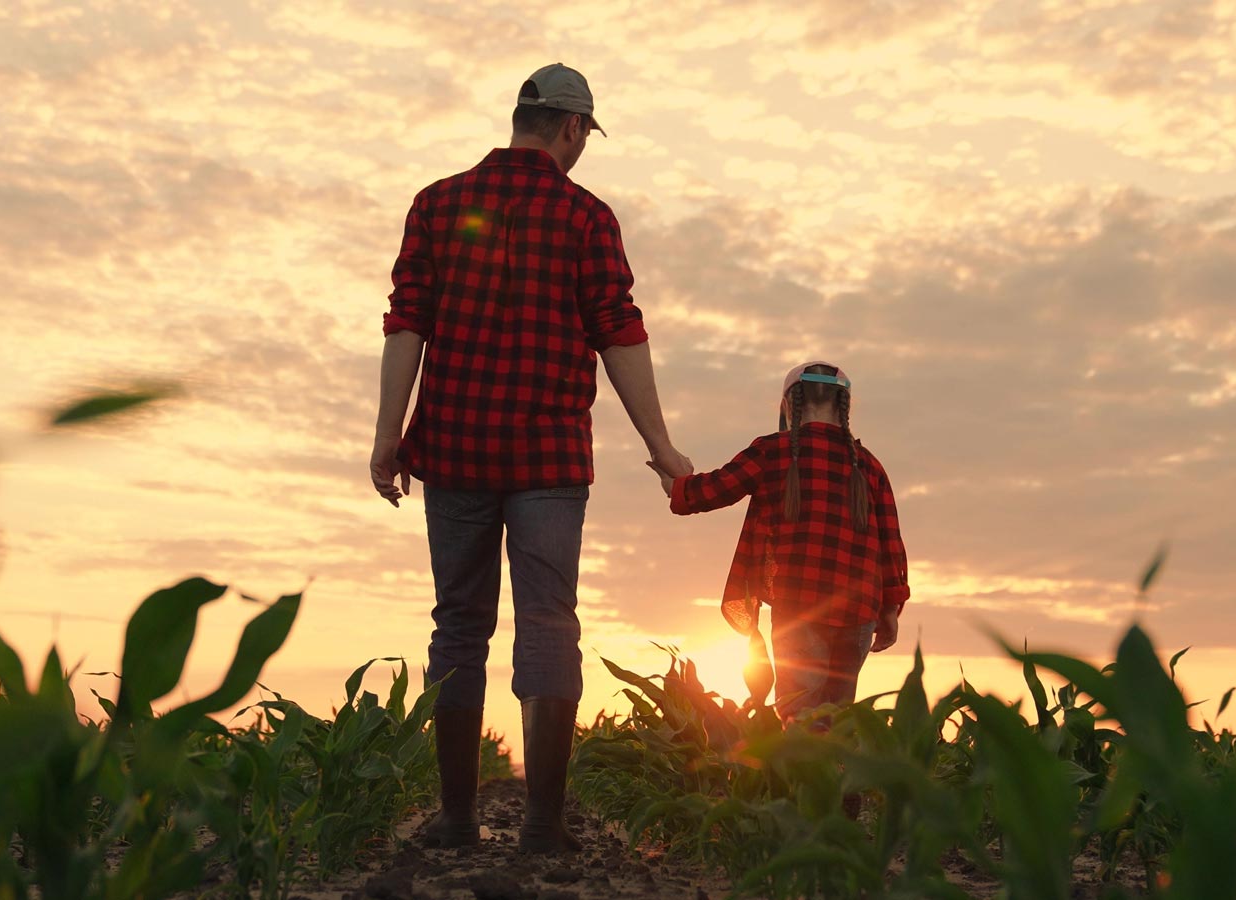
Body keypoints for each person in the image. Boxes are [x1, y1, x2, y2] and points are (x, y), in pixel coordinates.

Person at [371, 62, 692, 854]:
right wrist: (662, 447)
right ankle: (544, 826)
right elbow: (618, 330)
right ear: (572, 128)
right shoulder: (587, 217)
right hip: (548, 456)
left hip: (452, 446)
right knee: (548, 623)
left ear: (520, 117)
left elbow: (406, 323)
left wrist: (388, 435)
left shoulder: (437, 203)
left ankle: (456, 819)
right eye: (585, 136)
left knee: (458, 627)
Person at [648, 362, 909, 724]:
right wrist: (891, 612)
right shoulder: (869, 465)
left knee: (799, 714)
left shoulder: (772, 451)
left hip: (799, 603)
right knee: (838, 717)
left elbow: (714, 490)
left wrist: (675, 483)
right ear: (844, 406)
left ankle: (800, 780)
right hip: (859, 610)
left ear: (789, 405)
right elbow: (890, 544)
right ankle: (832, 780)